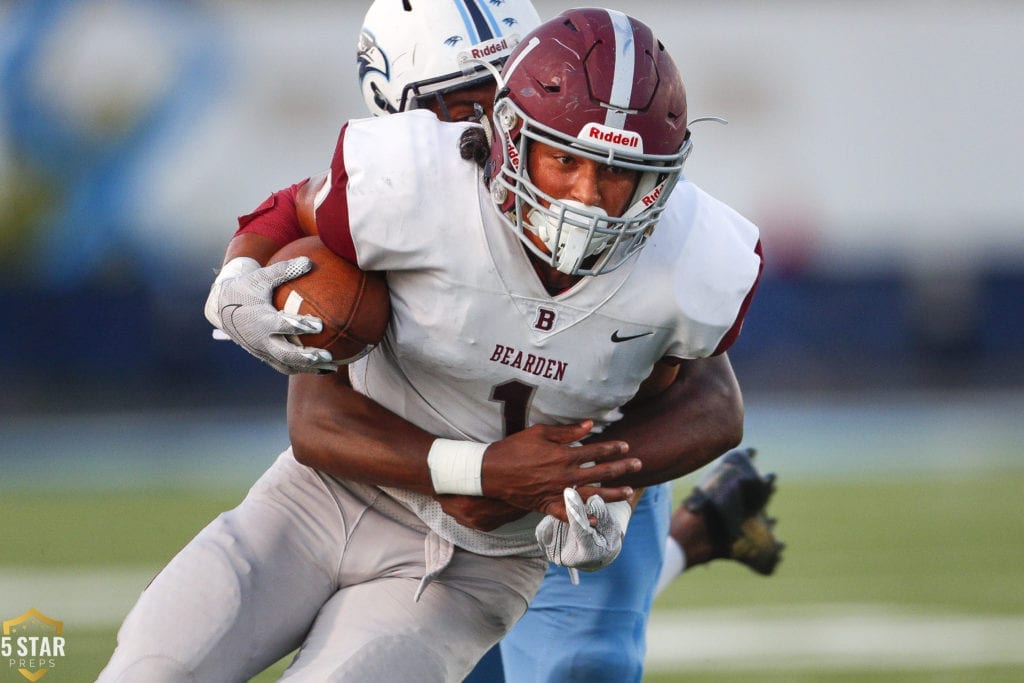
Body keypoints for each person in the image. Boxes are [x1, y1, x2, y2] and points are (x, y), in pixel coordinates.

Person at [102, 8, 765, 681]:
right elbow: (317, 419)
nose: (586, 200)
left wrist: (601, 485)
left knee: (579, 664)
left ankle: (680, 538)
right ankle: (690, 536)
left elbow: (709, 401)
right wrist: (241, 273)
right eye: (465, 101)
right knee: (153, 665)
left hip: (491, 547)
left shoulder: (683, 261)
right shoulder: (407, 189)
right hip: (326, 500)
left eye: (618, 171)